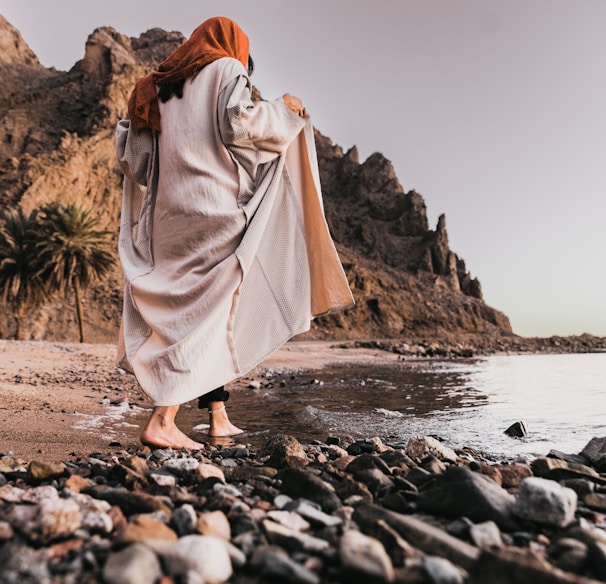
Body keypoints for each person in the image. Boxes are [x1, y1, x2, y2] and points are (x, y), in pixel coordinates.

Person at [115, 16, 353, 449]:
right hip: (213, 211)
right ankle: (162, 420)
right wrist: (283, 109)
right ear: (232, 46)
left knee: (201, 311)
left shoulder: (160, 89)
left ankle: (217, 415)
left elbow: (137, 160)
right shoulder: (225, 68)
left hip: (169, 220)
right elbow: (239, 124)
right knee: (208, 314)